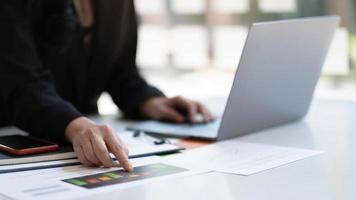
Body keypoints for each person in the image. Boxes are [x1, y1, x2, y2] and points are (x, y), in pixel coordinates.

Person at [0, 0, 213, 171]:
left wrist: (149, 100)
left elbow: (121, 71)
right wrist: (75, 125)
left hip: (83, 147)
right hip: (17, 144)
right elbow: (22, 84)